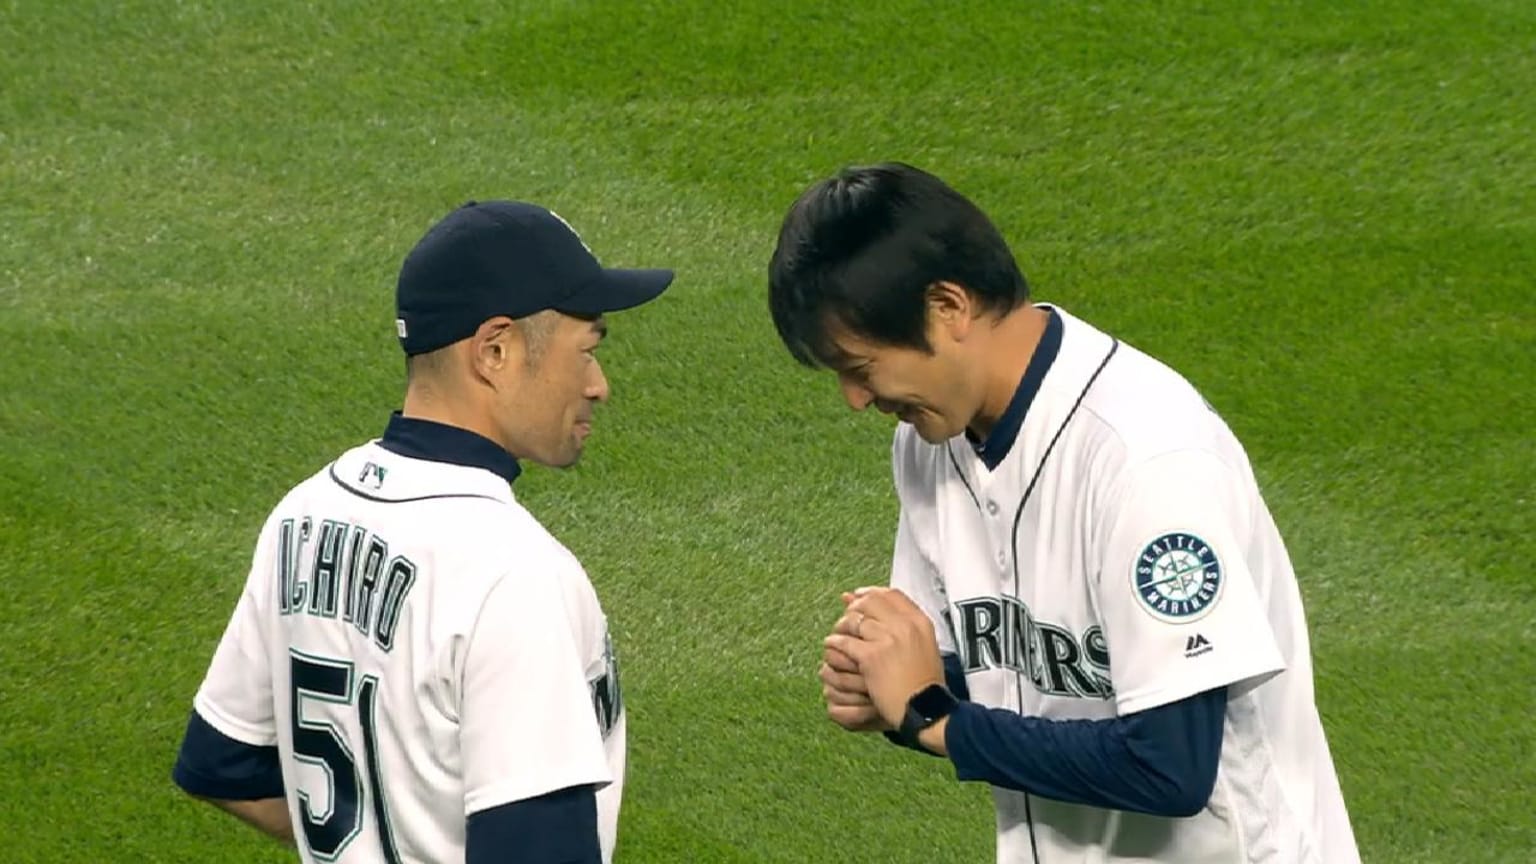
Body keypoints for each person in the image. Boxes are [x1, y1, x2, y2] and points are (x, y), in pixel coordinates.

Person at [767, 163, 1360, 863]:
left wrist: (931, 720)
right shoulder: (930, 442)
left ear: (949, 308)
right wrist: (891, 681)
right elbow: (994, 673)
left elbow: (1169, 767)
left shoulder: (1147, 460)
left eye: (860, 367)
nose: (854, 400)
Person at [171, 200, 673, 864]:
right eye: (586, 351)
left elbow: (225, 762)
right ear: (496, 350)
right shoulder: (512, 574)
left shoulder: (304, 514)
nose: (598, 385)